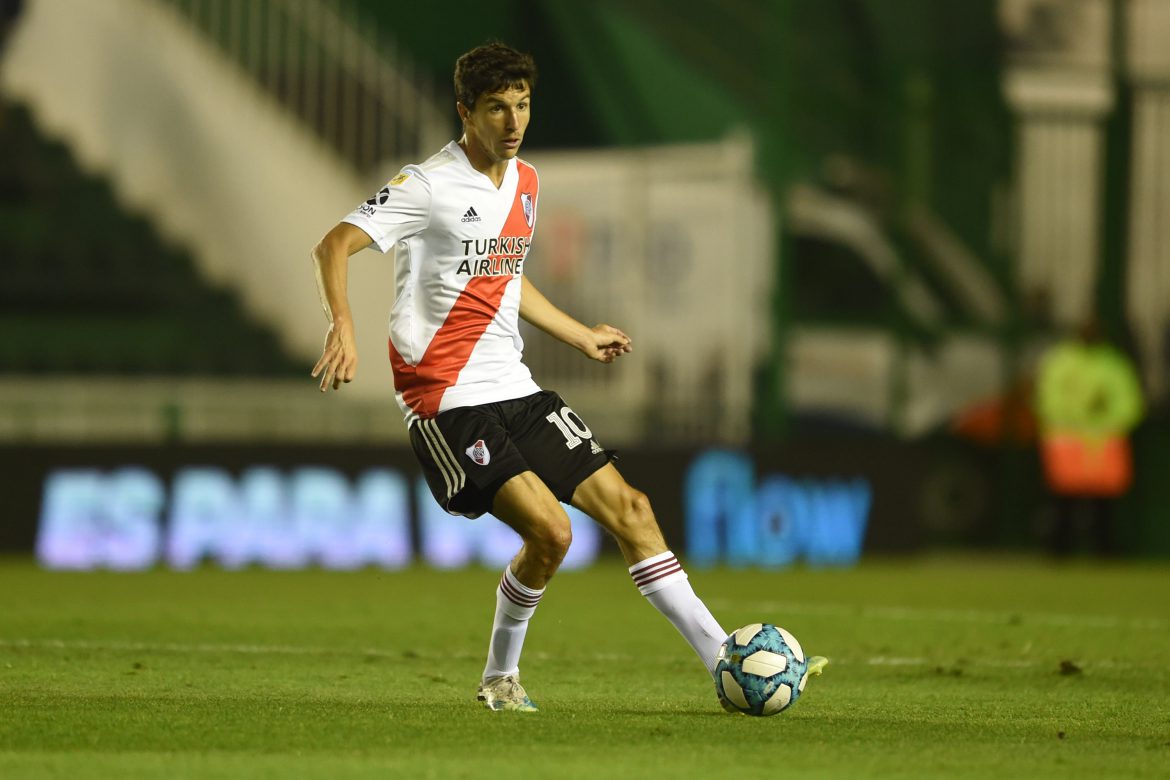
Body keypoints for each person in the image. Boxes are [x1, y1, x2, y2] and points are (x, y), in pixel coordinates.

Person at [310, 42, 825, 712]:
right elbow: (334, 244)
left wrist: (579, 333)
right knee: (552, 534)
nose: (513, 121)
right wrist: (343, 325)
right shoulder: (429, 185)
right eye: (496, 108)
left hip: (515, 386)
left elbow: (504, 277)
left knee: (633, 510)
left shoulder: (525, 182)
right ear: (465, 112)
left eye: (522, 105)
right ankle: (500, 678)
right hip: (446, 398)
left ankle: (722, 661)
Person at [1034, 317, 1145, 555]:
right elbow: (1047, 398)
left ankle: (1103, 550)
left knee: (1102, 502)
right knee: (1064, 500)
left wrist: (1105, 418)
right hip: (1067, 442)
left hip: (1103, 441)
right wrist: (1081, 413)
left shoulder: (1114, 364)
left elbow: (1129, 402)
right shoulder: (1060, 361)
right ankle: (1060, 550)